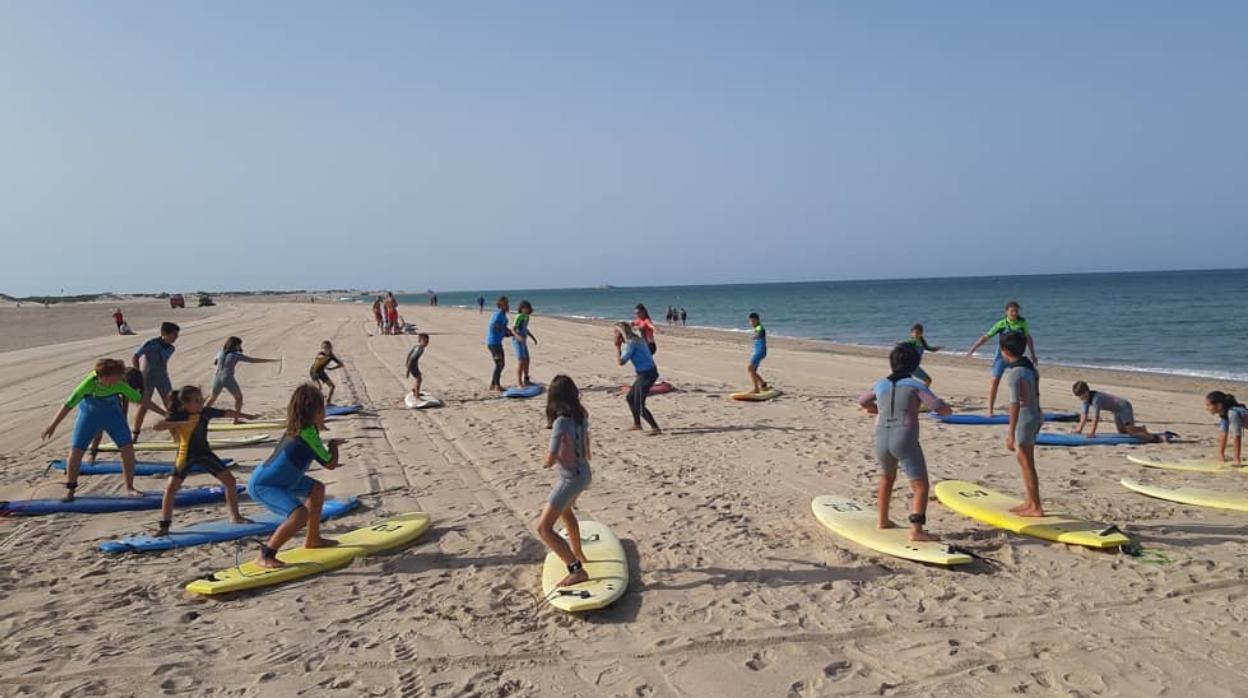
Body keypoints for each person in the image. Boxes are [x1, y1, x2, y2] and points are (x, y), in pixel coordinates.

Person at [857, 344, 953, 541]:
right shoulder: (916, 385)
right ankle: (916, 531)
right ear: (915, 364)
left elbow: (863, 401)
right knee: (920, 486)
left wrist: (877, 409)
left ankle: (882, 520)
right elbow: (936, 406)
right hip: (905, 437)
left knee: (886, 478)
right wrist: (946, 410)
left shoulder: (880, 384)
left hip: (881, 436)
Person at [248, 384, 344, 569]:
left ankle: (313, 538)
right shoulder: (307, 434)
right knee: (299, 515)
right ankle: (266, 554)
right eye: (323, 408)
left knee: (317, 489)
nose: (325, 412)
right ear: (316, 412)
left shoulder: (305, 429)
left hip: (286, 479)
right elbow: (330, 464)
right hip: (266, 485)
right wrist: (333, 446)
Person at [41, 359, 162, 500]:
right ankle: (70, 491)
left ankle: (130, 488)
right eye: (117, 376)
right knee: (75, 452)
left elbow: (142, 400)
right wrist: (53, 425)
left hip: (112, 416)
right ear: (105, 377)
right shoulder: (88, 384)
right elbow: (68, 404)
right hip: (89, 416)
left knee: (127, 449)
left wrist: (164, 413)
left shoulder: (120, 384)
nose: (120, 379)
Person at [151, 385, 254, 535]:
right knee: (171, 489)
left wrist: (247, 416)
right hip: (186, 455)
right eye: (196, 401)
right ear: (184, 404)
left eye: (201, 400)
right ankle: (164, 526)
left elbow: (227, 413)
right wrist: (181, 424)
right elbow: (156, 426)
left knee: (230, 481)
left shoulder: (205, 412)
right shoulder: (180, 415)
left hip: (205, 453)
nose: (201, 403)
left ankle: (235, 516)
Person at [533, 375, 593, 587]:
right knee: (566, 512)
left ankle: (576, 569)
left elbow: (549, 460)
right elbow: (587, 448)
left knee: (544, 528)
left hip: (571, 478)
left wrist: (544, 461)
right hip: (585, 473)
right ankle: (578, 552)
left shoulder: (561, 422)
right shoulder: (581, 415)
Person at [965, 302, 1037, 416]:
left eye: (1016, 311)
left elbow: (1028, 338)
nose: (1014, 313)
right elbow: (986, 337)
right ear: (1006, 312)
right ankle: (990, 410)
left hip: (1016, 357)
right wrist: (972, 349)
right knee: (994, 381)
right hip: (1002, 356)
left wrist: (1033, 354)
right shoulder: (1001, 324)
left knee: (1020, 381)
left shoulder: (1022, 323)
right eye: (1012, 311)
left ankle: (1024, 408)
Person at [1001, 333, 1044, 517]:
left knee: (1026, 462)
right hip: (1035, 414)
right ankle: (1029, 501)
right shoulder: (1029, 367)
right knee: (1025, 460)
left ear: (1005, 351)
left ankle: (1036, 507)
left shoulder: (1014, 373)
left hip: (1025, 418)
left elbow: (1015, 403)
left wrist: (1010, 432)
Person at [86, 367, 152, 464]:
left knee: (123, 431)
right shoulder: (111, 381)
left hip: (114, 402)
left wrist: (123, 418)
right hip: (97, 404)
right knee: (99, 429)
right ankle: (92, 454)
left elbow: (126, 401)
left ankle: (129, 456)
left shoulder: (124, 385)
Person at [207, 336, 278, 423]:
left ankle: (200, 417)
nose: (240, 347)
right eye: (239, 345)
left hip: (217, 378)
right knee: (239, 398)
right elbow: (252, 360)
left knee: (212, 398)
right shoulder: (235, 355)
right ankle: (236, 420)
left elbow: (215, 363)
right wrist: (269, 360)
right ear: (235, 345)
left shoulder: (220, 352)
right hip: (228, 379)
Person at [131, 321, 180, 439]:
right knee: (144, 406)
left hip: (162, 377)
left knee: (170, 406)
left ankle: (176, 436)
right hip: (147, 378)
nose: (175, 338)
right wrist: (137, 373)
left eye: (177, 336)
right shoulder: (150, 344)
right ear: (164, 333)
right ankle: (135, 434)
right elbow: (135, 356)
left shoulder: (171, 348)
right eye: (173, 335)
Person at [1071, 381, 1164, 442]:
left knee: (1131, 432)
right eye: (1079, 397)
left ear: (1087, 391)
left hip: (1124, 407)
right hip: (1116, 410)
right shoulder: (1086, 400)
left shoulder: (1096, 399)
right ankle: (1141, 429)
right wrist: (1079, 429)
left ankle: (1155, 438)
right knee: (1122, 432)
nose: (1081, 398)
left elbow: (1096, 417)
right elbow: (1084, 415)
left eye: (1081, 396)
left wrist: (1092, 433)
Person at [615, 322, 661, 435]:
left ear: (621, 333)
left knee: (640, 406)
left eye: (616, 332)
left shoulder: (631, 343)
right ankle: (637, 424)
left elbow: (621, 362)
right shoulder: (636, 339)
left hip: (647, 374)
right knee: (630, 398)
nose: (614, 334)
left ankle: (656, 428)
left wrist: (617, 346)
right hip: (644, 373)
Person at [1206, 391, 1248, 466]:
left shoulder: (1233, 413)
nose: (1207, 408)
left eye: (1208, 405)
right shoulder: (1224, 414)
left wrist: (1236, 460)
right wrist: (1221, 455)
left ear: (1219, 405)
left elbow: (1237, 436)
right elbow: (1223, 434)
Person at [486, 297, 512, 391]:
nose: (507, 306)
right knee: (500, 364)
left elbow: (502, 328)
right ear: (501, 306)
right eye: (505, 305)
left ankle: (493, 384)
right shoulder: (498, 314)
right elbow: (494, 326)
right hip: (493, 343)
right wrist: (504, 330)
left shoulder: (503, 316)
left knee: (500, 364)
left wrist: (509, 333)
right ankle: (497, 385)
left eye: (508, 304)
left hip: (497, 342)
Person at [513, 301, 539, 387]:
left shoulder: (527, 317)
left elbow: (525, 329)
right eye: (525, 308)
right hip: (517, 341)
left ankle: (526, 380)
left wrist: (533, 337)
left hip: (524, 341)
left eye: (528, 308)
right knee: (521, 361)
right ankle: (519, 383)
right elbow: (513, 329)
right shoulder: (519, 316)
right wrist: (518, 337)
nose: (526, 310)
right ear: (521, 308)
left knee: (527, 360)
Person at [747, 312, 769, 393]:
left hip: (760, 351)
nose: (751, 323)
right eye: (750, 321)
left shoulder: (760, 327)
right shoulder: (757, 328)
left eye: (753, 321)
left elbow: (761, 333)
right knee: (752, 370)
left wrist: (756, 336)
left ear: (758, 320)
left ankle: (756, 389)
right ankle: (763, 384)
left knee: (750, 368)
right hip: (758, 351)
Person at [406, 334, 430, 399]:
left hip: (413, 364)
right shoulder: (419, 348)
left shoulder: (418, 347)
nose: (426, 343)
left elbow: (409, 355)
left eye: (427, 341)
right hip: (411, 365)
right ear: (419, 340)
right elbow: (411, 359)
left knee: (419, 378)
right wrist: (408, 370)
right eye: (424, 341)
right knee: (419, 379)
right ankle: (417, 396)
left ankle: (414, 391)